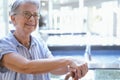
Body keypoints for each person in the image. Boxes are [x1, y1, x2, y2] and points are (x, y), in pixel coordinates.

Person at [0, 0, 88, 80]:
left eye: (35, 15)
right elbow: (26, 67)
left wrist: (74, 68)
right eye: (26, 14)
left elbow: (54, 67)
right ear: (13, 18)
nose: (31, 19)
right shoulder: (3, 45)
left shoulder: (40, 43)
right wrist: (68, 60)